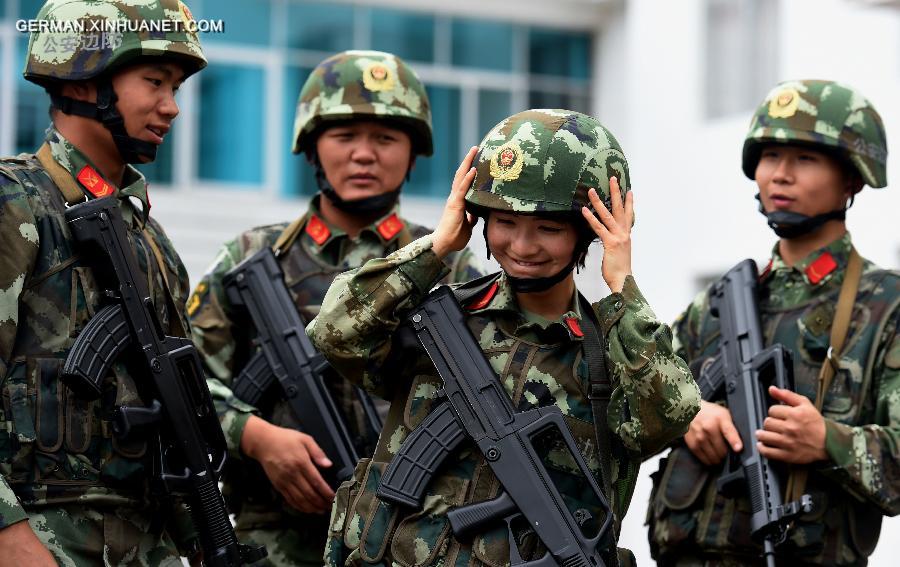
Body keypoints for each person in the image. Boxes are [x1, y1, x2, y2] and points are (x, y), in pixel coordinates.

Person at [308, 108, 701, 566]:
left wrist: (622, 287)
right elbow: (334, 331)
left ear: (589, 232)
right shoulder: (438, 320)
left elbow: (665, 419)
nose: (522, 246)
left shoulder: (608, 351)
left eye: (548, 229)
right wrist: (437, 246)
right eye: (505, 223)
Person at [187, 50, 483, 566]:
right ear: (312, 148)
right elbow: (182, 379)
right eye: (345, 137)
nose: (363, 155)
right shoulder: (252, 258)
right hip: (274, 537)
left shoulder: (447, 265)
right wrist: (255, 436)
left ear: (413, 154)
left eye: (385, 139)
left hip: (406, 538)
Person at [647, 79, 899, 565]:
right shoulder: (722, 300)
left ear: (852, 178)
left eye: (805, 159)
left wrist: (828, 441)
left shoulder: (886, 305)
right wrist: (688, 412)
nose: (780, 175)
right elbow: (635, 395)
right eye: (770, 158)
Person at [0, 0, 208, 564]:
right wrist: (10, 538)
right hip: (40, 536)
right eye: (154, 81)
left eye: (176, 88)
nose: (170, 107)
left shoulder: (152, 240)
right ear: (85, 81)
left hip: (146, 539)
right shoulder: (15, 201)